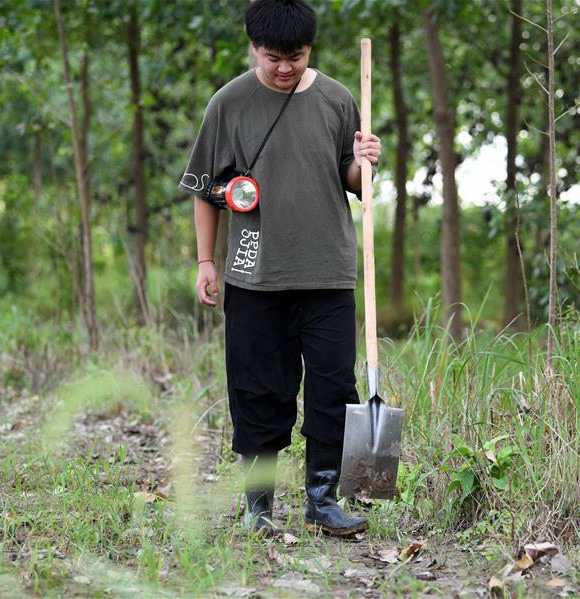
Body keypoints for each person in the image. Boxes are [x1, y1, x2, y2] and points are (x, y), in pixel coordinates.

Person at [178, 0, 382, 537]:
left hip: (328, 272)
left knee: (332, 387)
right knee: (257, 390)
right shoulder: (228, 103)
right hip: (253, 274)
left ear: (309, 48)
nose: (285, 67)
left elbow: (354, 182)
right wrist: (205, 261)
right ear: (253, 48)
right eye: (273, 58)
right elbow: (204, 189)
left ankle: (323, 499)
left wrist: (365, 164)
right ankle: (258, 506)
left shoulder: (339, 99)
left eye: (295, 56)